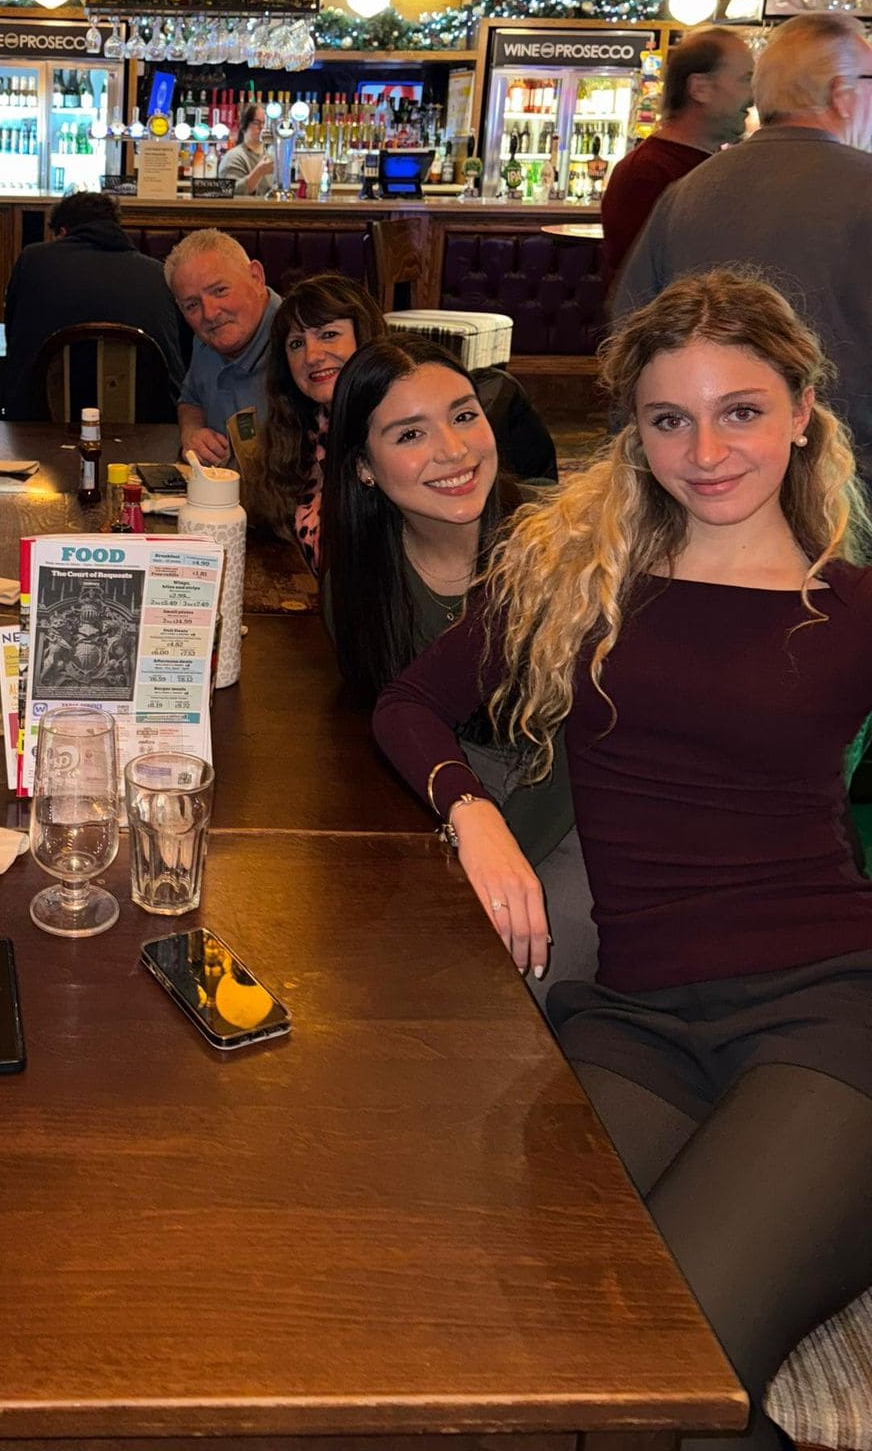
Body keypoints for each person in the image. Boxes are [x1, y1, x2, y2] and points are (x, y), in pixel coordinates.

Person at [373, 271, 872, 1451]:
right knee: (526, 1340)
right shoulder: (576, 577)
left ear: (802, 409)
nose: (706, 451)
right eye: (669, 419)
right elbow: (409, 705)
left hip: (826, 1017)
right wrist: (474, 815)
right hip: (636, 1018)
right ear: (634, 432)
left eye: (741, 410)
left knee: (667, 1365)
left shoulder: (852, 606)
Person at [321, 333, 593, 995]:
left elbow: (578, 753)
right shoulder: (359, 580)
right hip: (457, 793)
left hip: (578, 805)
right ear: (363, 467)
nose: (453, 450)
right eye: (410, 434)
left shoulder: (557, 550)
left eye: (464, 415)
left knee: (494, 980)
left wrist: (486, 848)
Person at [614, 12, 872, 467]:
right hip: (848, 475)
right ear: (842, 94)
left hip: (706, 467)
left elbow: (631, 341)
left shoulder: (687, 193)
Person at [253, 274, 557, 570]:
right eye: (296, 344)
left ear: (364, 336)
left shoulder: (409, 436)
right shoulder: (297, 433)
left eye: (328, 335)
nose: (312, 356)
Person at [0, 190, 187, 420]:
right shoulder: (158, 273)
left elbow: (13, 337)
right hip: (150, 427)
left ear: (62, 232)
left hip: (40, 423)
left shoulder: (32, 261)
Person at [600, 27, 755, 288]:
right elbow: (644, 288)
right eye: (745, 80)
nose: (752, 97)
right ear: (700, 88)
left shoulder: (710, 164)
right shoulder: (647, 173)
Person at [165, 228, 282, 465]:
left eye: (220, 291)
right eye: (192, 305)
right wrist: (192, 432)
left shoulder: (302, 342)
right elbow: (191, 400)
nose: (209, 314)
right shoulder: (205, 340)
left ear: (256, 277)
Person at [217, 104, 275, 194]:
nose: (262, 127)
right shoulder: (234, 157)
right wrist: (259, 172)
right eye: (256, 123)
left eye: (264, 123)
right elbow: (230, 192)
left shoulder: (269, 157)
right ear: (244, 126)